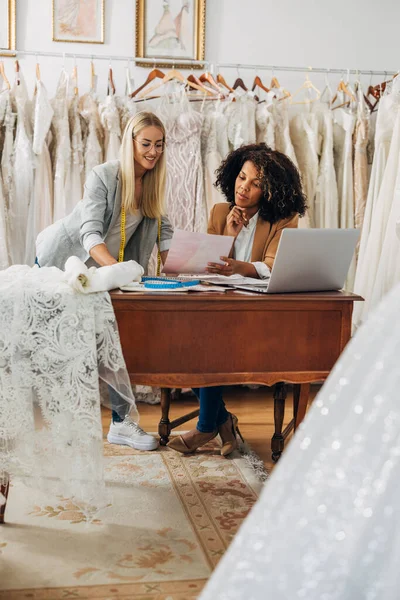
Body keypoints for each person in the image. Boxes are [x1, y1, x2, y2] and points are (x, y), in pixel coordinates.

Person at [36, 111, 174, 452]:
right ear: (130, 142)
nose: (153, 151)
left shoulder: (153, 183)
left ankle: (121, 424)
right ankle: (61, 423)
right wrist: (117, 271)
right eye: (146, 144)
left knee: (117, 339)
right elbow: (90, 232)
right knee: (61, 342)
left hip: (109, 270)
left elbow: (164, 231)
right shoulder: (104, 175)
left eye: (159, 144)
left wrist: (182, 266)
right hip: (67, 261)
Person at [167, 144, 307, 456]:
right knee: (190, 340)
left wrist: (240, 267)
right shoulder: (220, 212)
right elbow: (207, 266)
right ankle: (223, 421)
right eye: (242, 177)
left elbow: (273, 266)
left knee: (205, 343)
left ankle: (206, 428)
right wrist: (228, 236)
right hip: (217, 309)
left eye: (255, 183)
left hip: (258, 315)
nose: (243, 187)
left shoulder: (284, 219)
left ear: (270, 190)